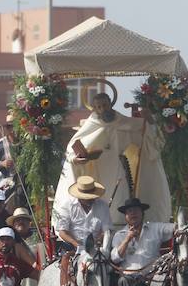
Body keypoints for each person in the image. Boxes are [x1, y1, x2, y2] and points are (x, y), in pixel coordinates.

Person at [53, 91, 171, 226]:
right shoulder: (90, 125)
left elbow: (148, 137)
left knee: (119, 200)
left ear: (111, 104)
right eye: (99, 107)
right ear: (95, 109)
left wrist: (149, 120)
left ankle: (119, 229)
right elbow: (72, 150)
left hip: (117, 172)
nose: (103, 109)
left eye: (105, 105)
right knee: (97, 204)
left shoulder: (123, 122)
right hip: (95, 173)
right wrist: (76, 159)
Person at [53, 176, 112, 253]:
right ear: (79, 196)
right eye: (86, 198)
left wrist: (99, 240)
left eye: (91, 197)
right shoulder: (67, 206)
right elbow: (63, 232)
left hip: (96, 248)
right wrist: (77, 245)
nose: (90, 199)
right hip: (73, 248)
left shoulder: (103, 206)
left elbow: (107, 230)